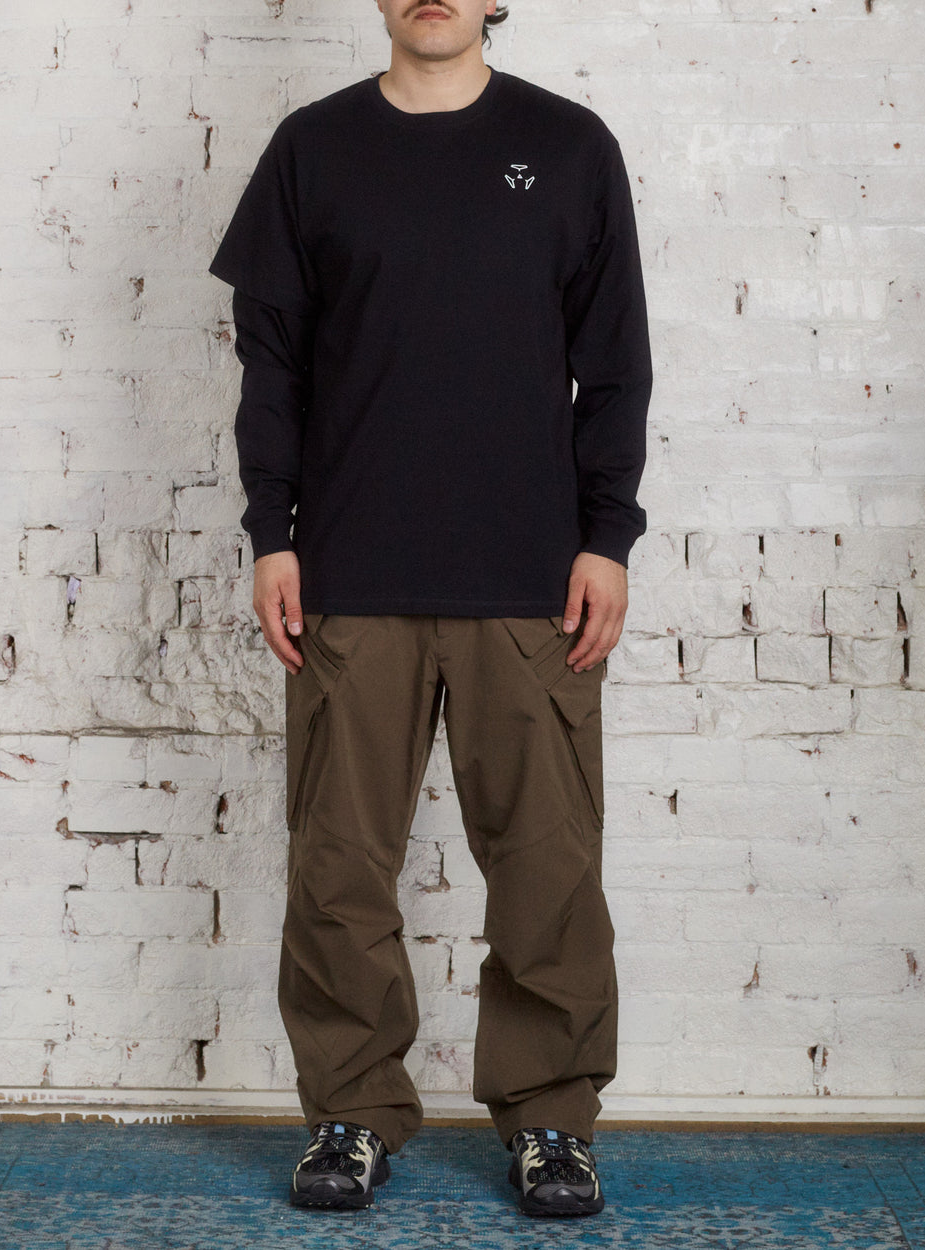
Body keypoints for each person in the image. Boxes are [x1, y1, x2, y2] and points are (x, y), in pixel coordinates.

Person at [208, 0, 652, 1221]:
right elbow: (270, 362)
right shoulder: (313, 149)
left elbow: (615, 363)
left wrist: (606, 537)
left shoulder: (569, 147)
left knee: (549, 871)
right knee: (337, 869)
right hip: (350, 578)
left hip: (531, 582)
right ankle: (350, 1109)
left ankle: (552, 1120)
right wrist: (272, 531)